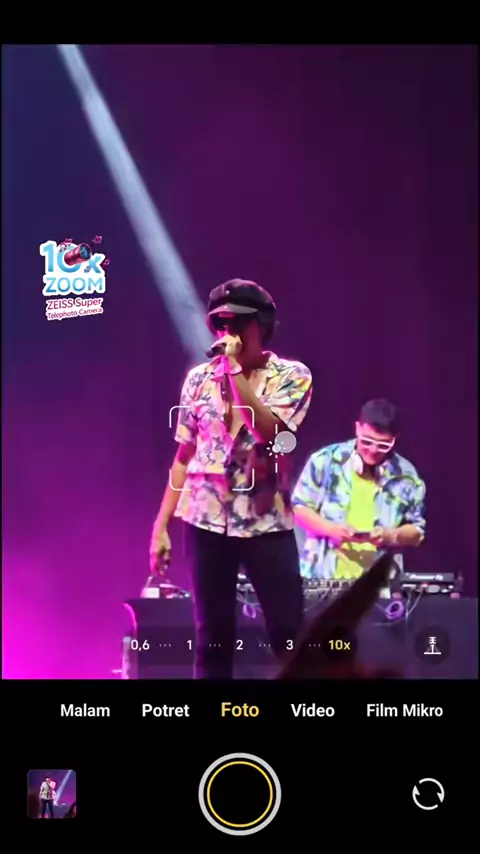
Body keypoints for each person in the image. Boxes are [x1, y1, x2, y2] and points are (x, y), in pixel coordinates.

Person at [150, 279, 313, 678]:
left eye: (238, 323)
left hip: (265, 521)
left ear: (261, 325)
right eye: (220, 325)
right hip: (205, 520)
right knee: (213, 637)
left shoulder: (291, 376)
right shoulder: (198, 379)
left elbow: (269, 433)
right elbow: (184, 456)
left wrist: (236, 373)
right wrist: (161, 525)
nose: (228, 333)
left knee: (289, 634)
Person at [292, 399, 426, 585]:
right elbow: (299, 508)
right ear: (357, 429)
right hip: (322, 578)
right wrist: (331, 530)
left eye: (383, 445)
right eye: (366, 441)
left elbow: (417, 532)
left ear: (395, 438)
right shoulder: (325, 461)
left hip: (378, 584)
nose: (373, 450)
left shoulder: (406, 476)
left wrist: (390, 536)